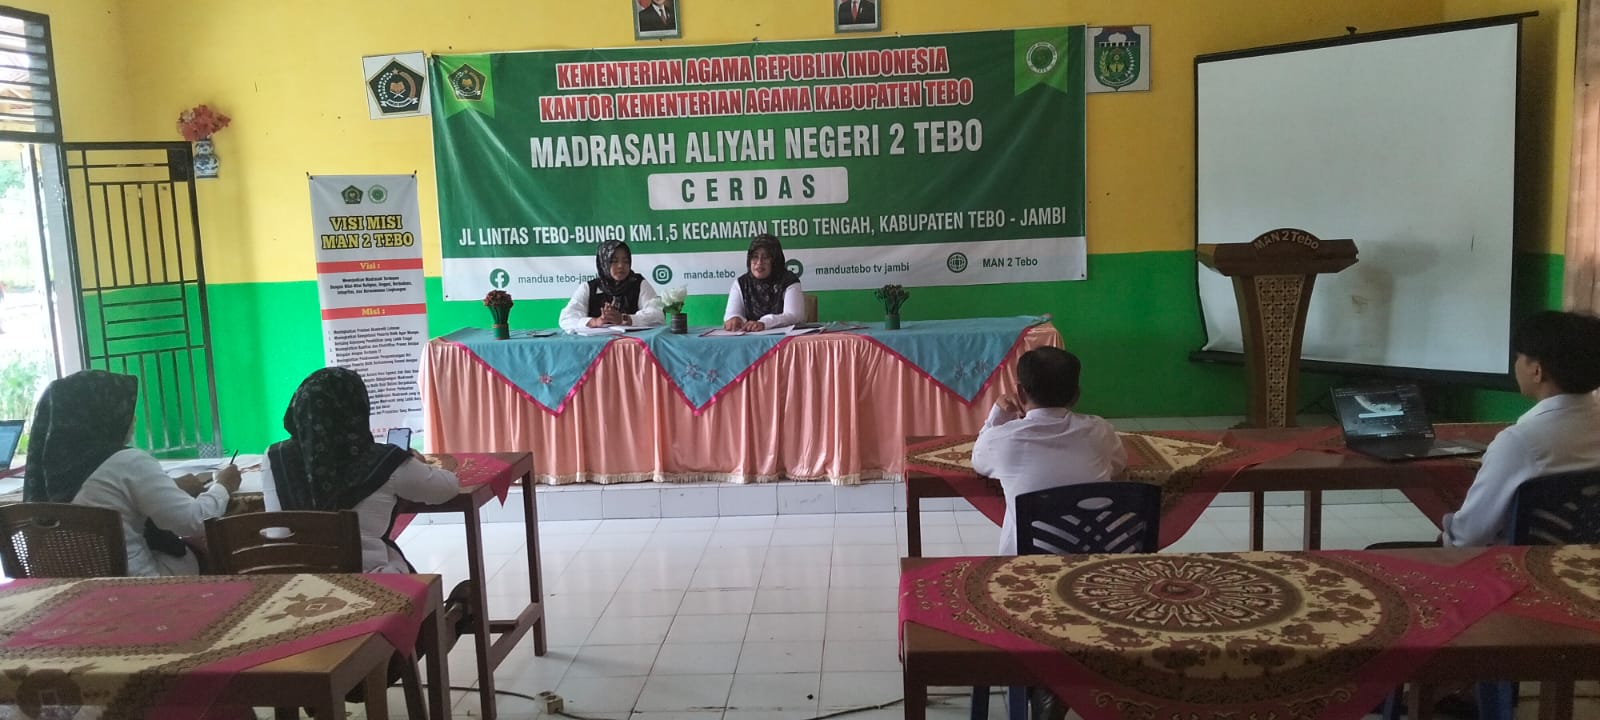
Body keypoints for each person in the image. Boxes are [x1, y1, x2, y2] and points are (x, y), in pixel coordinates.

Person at [23, 369, 240, 576]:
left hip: (71, 587)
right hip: (135, 584)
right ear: (101, 415)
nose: (133, 419)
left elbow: (107, 495)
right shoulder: (129, 462)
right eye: (123, 410)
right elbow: (193, 521)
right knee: (211, 545)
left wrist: (169, 487)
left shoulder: (48, 470)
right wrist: (222, 485)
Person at [262, 367, 460, 573]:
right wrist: (417, 463)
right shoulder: (384, 461)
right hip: (367, 581)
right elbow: (446, 488)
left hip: (290, 579)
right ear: (356, 408)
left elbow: (279, 529)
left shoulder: (274, 457)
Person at [1442, 310, 1600, 546]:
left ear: (1537, 371)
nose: (1515, 364)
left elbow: (1468, 538)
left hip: (1513, 563)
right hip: (1582, 560)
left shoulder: (1519, 443)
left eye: (1518, 357)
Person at [970, 347, 1127, 555]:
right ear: (1076, 395)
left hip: (1031, 563)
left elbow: (978, 461)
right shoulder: (1100, 430)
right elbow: (1119, 465)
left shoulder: (1002, 439)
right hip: (1099, 558)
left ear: (1020, 392)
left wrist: (998, 415)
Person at [558, 240, 663, 331]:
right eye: (614, 261)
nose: (621, 266)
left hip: (634, 344)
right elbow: (566, 318)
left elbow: (658, 314)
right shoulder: (589, 288)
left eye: (626, 261)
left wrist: (624, 319)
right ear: (603, 263)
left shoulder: (638, 283)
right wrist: (595, 321)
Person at [723, 234, 804, 332]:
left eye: (765, 257)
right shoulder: (742, 283)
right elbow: (731, 314)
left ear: (775, 260)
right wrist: (734, 318)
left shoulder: (789, 281)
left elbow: (794, 316)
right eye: (755, 257)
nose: (759, 262)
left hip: (783, 339)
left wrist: (765, 323)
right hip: (748, 340)